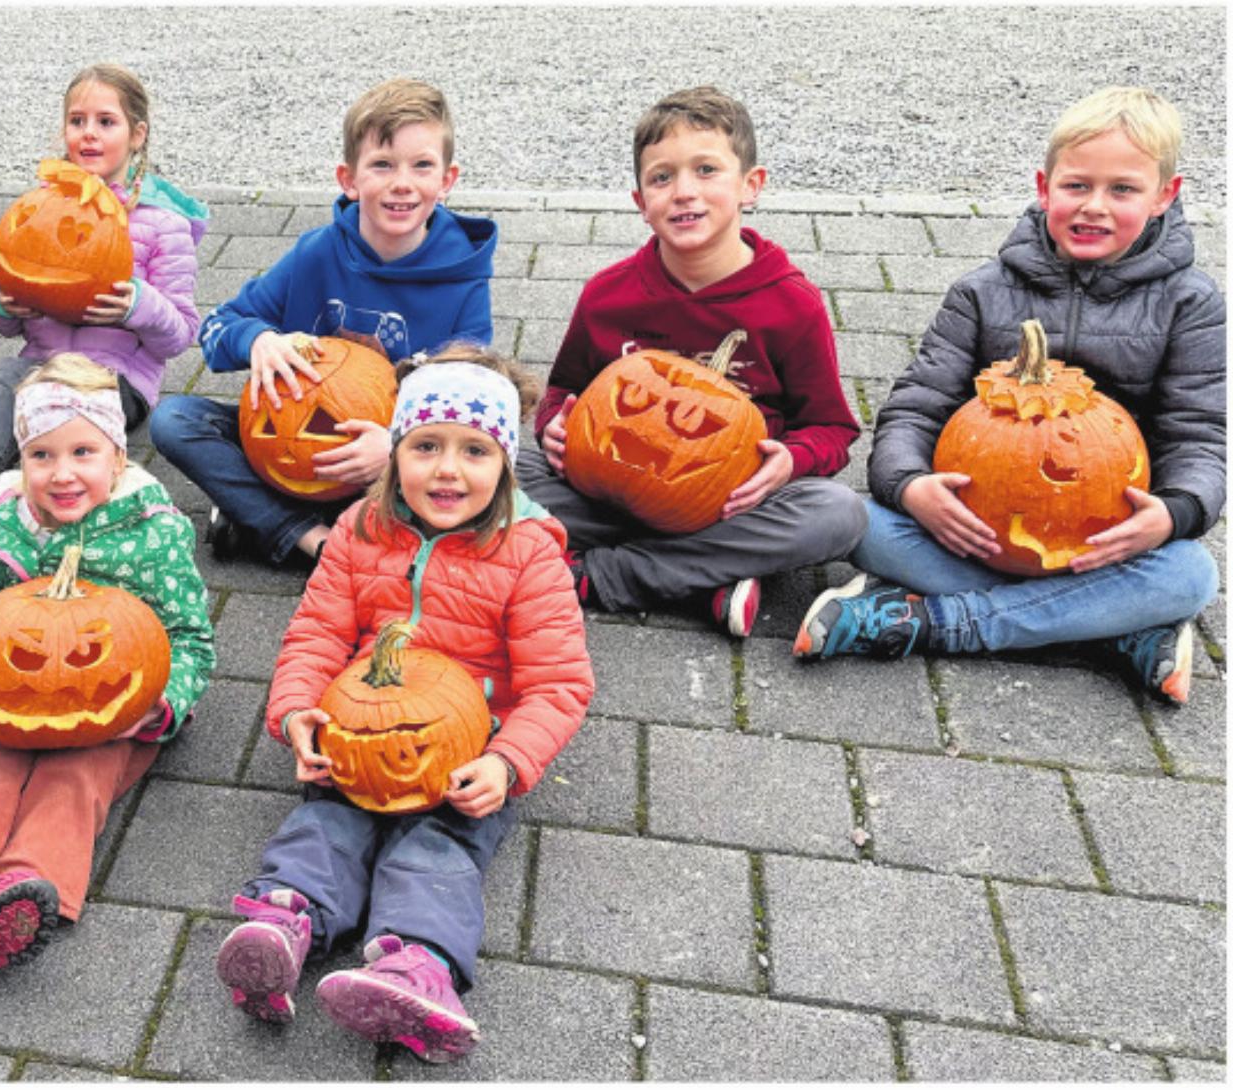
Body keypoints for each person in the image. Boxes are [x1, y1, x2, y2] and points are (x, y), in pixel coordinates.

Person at [217, 346, 592, 1063]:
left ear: (505, 465)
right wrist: (297, 713)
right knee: (325, 822)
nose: (448, 469)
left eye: (474, 451)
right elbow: (317, 633)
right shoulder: (360, 531)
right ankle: (285, 919)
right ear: (394, 454)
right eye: (426, 446)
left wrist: (509, 762)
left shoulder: (529, 554)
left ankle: (417, 966)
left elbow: (560, 683)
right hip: (359, 734)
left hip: (468, 754)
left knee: (436, 852)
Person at [794, 86, 1223, 704]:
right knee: (855, 521)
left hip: (1103, 544)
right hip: (975, 534)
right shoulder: (981, 294)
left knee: (1189, 574)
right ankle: (1108, 627)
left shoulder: (1192, 305)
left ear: (1164, 196)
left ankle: (936, 621)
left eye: (1122, 190)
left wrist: (1174, 513)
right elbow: (914, 407)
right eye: (1077, 186)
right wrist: (911, 486)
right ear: (1044, 187)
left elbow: (1198, 435)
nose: (1094, 207)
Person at [0, 353, 214, 984]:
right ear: (20, 461)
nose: (62, 473)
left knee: (75, 780)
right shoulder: (6, 526)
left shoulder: (151, 534)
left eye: (83, 453)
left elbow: (189, 637)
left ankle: (21, 891)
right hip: (15, 703)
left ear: (117, 459)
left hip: (115, 713)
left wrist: (163, 705)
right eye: (41, 456)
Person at [519, 85, 864, 638]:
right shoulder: (608, 295)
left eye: (706, 170)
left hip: (725, 505)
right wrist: (552, 425)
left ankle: (602, 574)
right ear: (640, 202)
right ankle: (705, 575)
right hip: (605, 489)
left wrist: (791, 461)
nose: (683, 192)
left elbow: (833, 428)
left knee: (839, 514)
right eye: (662, 177)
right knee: (496, 461)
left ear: (751, 186)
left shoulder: (790, 305)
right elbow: (562, 389)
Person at [150, 77, 496, 568]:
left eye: (421, 166)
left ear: (447, 180)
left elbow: (471, 402)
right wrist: (258, 339)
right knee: (175, 420)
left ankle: (256, 514)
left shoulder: (464, 279)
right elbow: (216, 329)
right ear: (349, 179)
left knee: (485, 477)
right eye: (382, 165)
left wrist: (400, 447)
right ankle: (307, 537)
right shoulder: (317, 252)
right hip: (288, 443)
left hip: (386, 461)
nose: (402, 183)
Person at [0, 63, 207, 503]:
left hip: (118, 377)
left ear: (136, 135)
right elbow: (7, 325)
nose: (89, 133)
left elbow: (180, 335)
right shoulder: (42, 206)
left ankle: (51, 497)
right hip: (43, 361)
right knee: (6, 378)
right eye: (77, 121)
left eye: (106, 122)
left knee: (62, 405)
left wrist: (137, 306)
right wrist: (3, 300)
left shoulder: (164, 225)